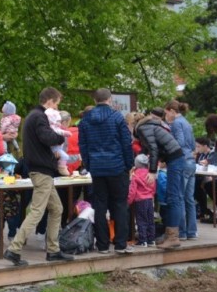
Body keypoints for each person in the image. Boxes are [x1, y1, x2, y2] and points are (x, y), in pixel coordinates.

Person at [3, 87, 71, 266]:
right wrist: (61, 136)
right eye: (56, 104)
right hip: (41, 171)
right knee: (37, 211)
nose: (56, 108)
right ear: (49, 101)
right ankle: (14, 249)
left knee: (57, 208)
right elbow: (47, 138)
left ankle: (53, 250)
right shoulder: (40, 117)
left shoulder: (33, 116)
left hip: (41, 170)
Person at [78, 88, 135, 255]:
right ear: (110, 99)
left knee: (100, 205)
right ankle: (120, 244)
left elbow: (83, 146)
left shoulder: (85, 120)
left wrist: (89, 165)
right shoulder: (117, 117)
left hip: (97, 168)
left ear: (95, 100)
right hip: (117, 166)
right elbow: (126, 143)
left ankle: (102, 245)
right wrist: (129, 164)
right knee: (120, 204)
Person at [135, 111, 185, 250]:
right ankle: (172, 235)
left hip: (174, 159)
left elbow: (153, 149)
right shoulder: (151, 126)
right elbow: (148, 150)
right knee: (174, 197)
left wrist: (151, 171)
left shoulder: (143, 129)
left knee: (173, 197)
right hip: (175, 158)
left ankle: (173, 237)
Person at [164, 100, 197, 241]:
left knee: (179, 197)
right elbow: (192, 144)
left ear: (172, 111)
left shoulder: (176, 123)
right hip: (191, 161)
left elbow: (180, 142)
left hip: (182, 160)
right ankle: (192, 231)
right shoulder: (186, 122)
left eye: (166, 112)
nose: (166, 116)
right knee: (189, 199)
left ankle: (182, 232)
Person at [128, 154, 156, 247]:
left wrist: (129, 201)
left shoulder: (135, 175)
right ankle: (151, 240)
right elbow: (153, 188)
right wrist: (151, 196)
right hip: (149, 199)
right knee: (150, 220)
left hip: (140, 200)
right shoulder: (150, 174)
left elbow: (132, 190)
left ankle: (143, 240)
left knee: (141, 220)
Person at [45, 106, 71, 177]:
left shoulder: (50, 130)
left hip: (54, 160)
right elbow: (64, 148)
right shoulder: (61, 133)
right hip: (55, 163)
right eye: (69, 123)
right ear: (64, 122)